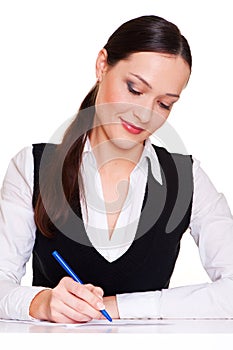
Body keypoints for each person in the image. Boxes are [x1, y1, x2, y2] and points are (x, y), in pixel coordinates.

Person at [0, 14, 233, 324]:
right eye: (134, 89)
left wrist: (118, 306)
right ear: (102, 66)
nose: (144, 114)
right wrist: (40, 303)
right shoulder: (32, 166)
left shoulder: (187, 178)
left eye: (164, 103)